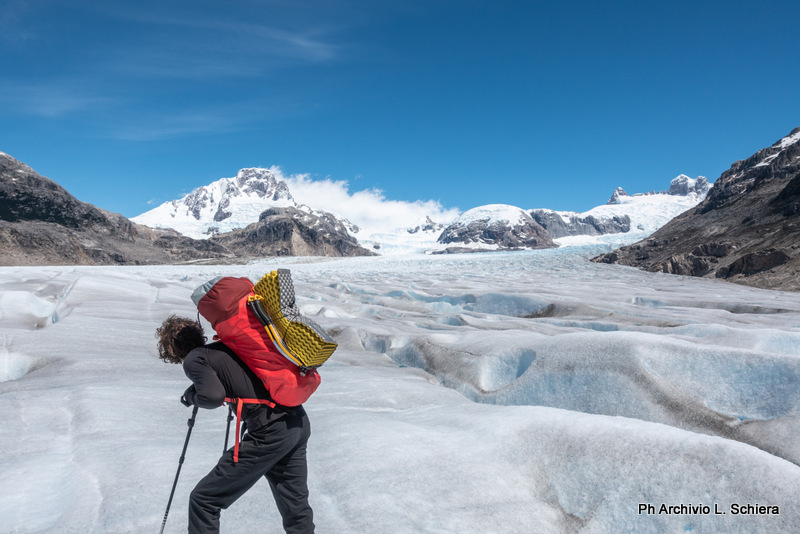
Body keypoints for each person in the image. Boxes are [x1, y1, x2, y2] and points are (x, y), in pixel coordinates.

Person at [156, 314, 315, 534]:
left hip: (270, 432)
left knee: (204, 499)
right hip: (296, 422)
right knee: (295, 507)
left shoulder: (195, 358)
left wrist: (191, 397)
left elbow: (212, 396)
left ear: (171, 349)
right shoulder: (227, 346)